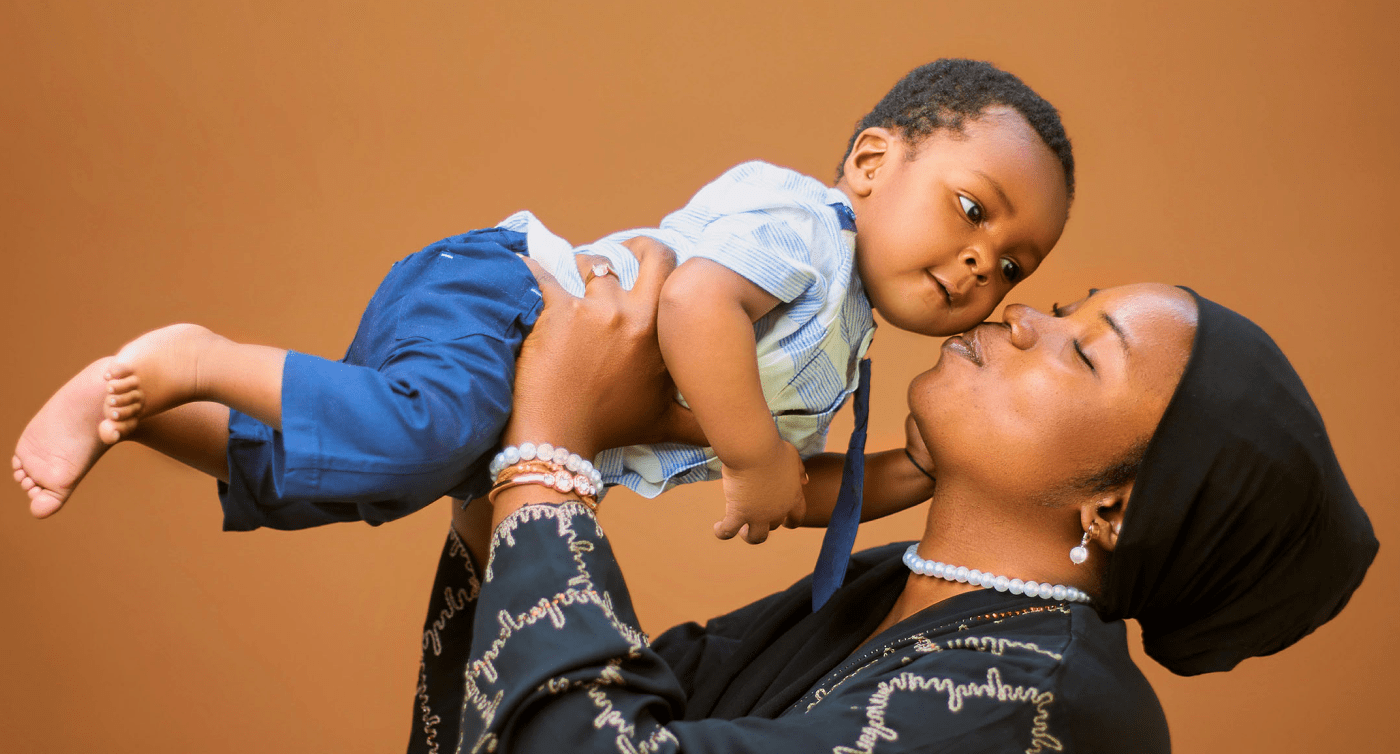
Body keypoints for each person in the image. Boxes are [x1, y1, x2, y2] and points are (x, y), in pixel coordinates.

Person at [12, 61, 1072, 581]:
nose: (983, 261)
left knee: (345, 481)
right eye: (972, 209)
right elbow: (694, 306)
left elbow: (798, 492)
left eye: (1014, 264)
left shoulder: (844, 352)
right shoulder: (806, 226)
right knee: (413, 438)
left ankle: (135, 411)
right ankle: (191, 355)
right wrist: (753, 456)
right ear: (874, 163)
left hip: (521, 390)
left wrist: (917, 471)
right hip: (510, 304)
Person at [407, 241, 1377, 753]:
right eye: (1064, 307)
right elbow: (532, 713)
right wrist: (507, 451)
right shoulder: (881, 591)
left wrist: (549, 453)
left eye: (1084, 352)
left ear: (1115, 510)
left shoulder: (1037, 710)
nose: (1023, 316)